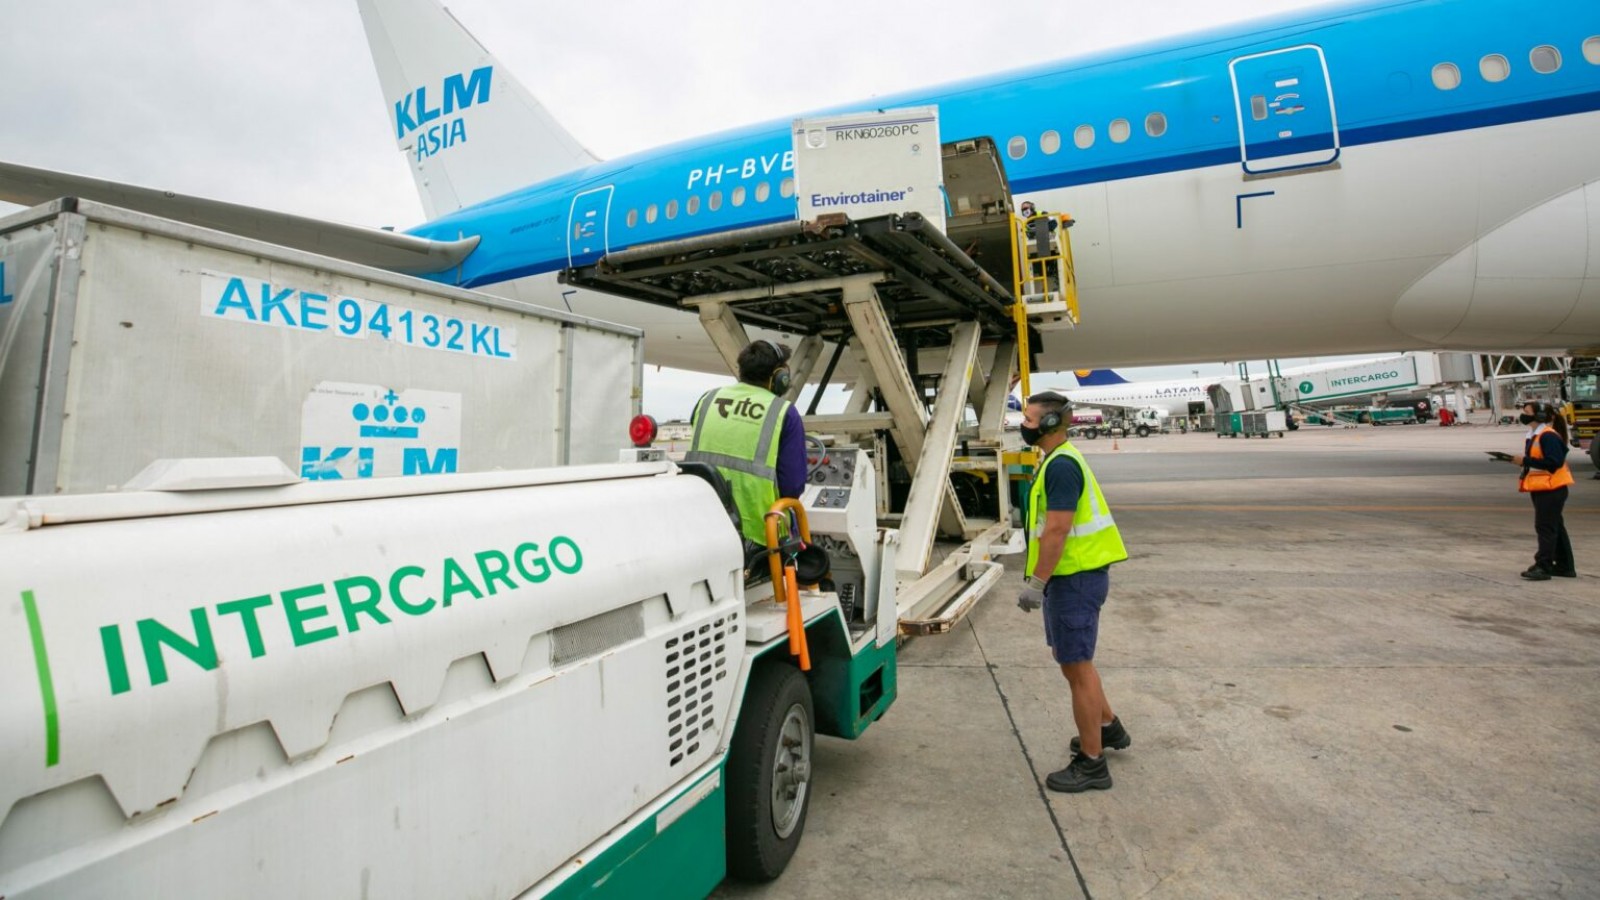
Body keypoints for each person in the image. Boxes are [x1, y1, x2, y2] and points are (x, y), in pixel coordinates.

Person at [1015, 390, 1132, 792]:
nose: (1024, 426)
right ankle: (1107, 727)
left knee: (1077, 667)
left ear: (1049, 424)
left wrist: (1037, 582)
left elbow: (1058, 530)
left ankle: (1092, 763)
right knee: (1072, 661)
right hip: (1074, 577)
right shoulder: (1055, 460)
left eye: (1029, 420)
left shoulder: (1062, 466)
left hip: (1074, 578)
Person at [686, 340, 807, 548]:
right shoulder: (783, 412)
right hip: (759, 535)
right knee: (804, 549)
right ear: (779, 376)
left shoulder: (707, 400)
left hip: (701, 524)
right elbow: (792, 486)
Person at [1510, 401, 1576, 580]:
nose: (1523, 415)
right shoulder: (1533, 435)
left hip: (1552, 488)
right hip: (1543, 487)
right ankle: (1564, 566)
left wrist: (1524, 461)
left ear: (1538, 416)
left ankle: (1543, 565)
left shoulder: (1548, 436)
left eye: (1527, 412)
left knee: (1545, 527)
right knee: (1555, 527)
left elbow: (1554, 463)